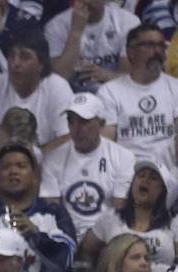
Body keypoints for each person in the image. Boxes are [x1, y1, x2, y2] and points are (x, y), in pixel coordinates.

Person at [0, 142, 77, 272]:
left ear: (34, 175)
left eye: (21, 166)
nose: (13, 171)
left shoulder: (55, 213)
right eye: (6, 167)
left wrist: (37, 236)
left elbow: (66, 258)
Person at [41, 93, 133, 240]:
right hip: (66, 232)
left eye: (83, 122)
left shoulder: (123, 157)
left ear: (101, 124)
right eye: (71, 121)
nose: (76, 128)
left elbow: (119, 211)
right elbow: (52, 210)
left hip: (105, 236)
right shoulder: (53, 159)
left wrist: (93, 238)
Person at [0, 30, 73, 150]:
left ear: (41, 64)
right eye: (12, 56)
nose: (15, 63)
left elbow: (68, 138)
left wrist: (29, 159)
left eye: (24, 57)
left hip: (48, 165)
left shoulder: (57, 87)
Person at [97, 23, 178, 164]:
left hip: (171, 173)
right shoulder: (109, 92)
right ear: (131, 51)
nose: (157, 51)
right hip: (128, 174)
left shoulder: (175, 87)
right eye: (150, 45)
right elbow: (106, 145)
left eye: (161, 45)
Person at [80, 160, 178, 272]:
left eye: (153, 178)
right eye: (140, 175)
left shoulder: (174, 223)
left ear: (164, 190)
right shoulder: (111, 218)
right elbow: (84, 251)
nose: (145, 180)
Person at [45, 0, 138, 92]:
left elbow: (130, 77)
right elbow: (61, 76)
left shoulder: (127, 21)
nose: (87, 2)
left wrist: (106, 75)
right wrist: (76, 31)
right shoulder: (55, 26)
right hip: (73, 93)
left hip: (116, 90)